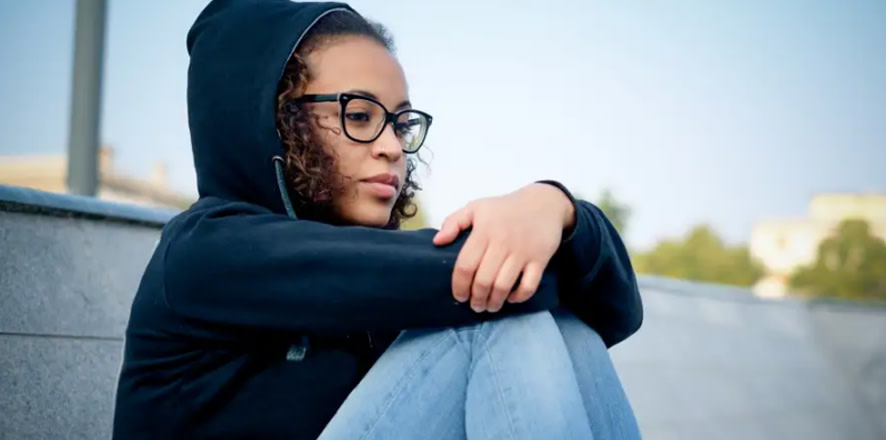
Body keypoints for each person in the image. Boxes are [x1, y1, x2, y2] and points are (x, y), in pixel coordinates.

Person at [112, 0, 644, 439]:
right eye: (360, 116)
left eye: (400, 123)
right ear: (274, 124)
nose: (392, 147)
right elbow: (515, 283)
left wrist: (556, 207)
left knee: (568, 328)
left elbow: (614, 312)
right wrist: (551, 218)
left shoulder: (374, 273)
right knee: (494, 308)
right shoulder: (206, 251)